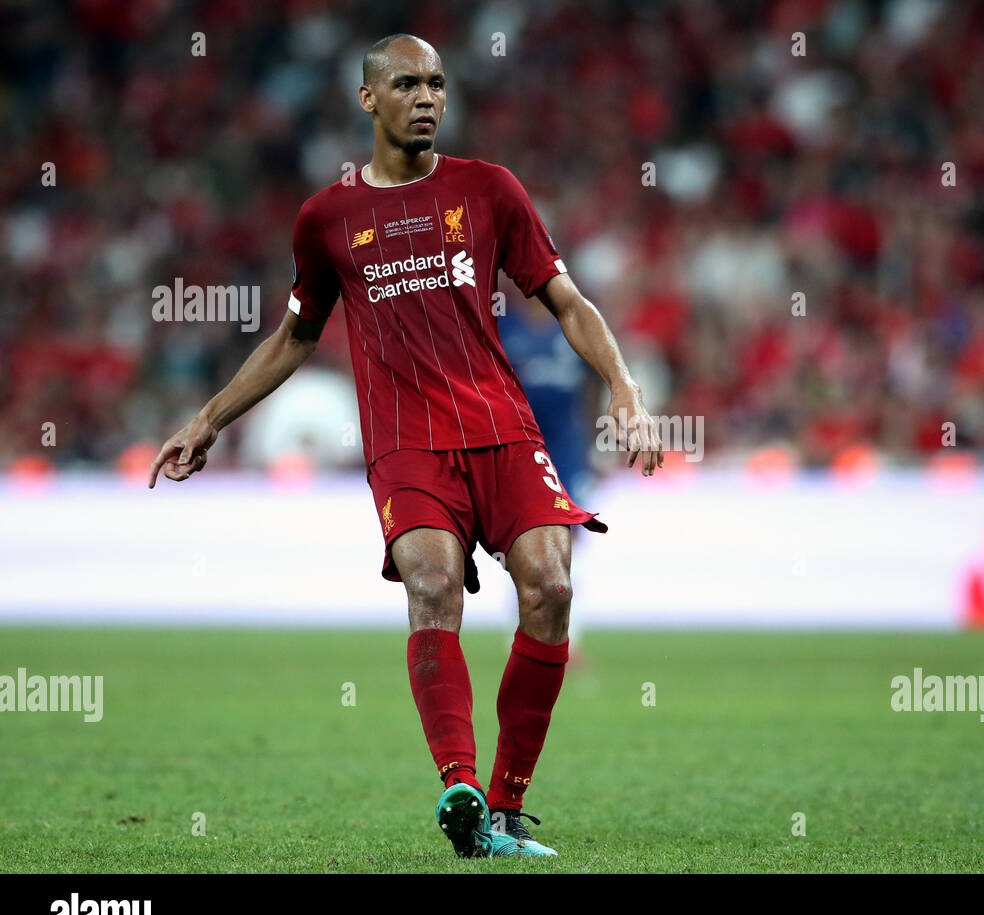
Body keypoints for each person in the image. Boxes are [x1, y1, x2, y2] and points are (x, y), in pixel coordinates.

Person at [148, 33, 663, 858]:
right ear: (368, 100)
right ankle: (458, 783)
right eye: (407, 84)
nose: (427, 97)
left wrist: (624, 387)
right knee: (431, 582)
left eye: (437, 84)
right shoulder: (326, 218)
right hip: (407, 445)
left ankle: (504, 806)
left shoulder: (489, 190)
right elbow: (293, 336)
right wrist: (208, 419)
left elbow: (565, 299)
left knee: (551, 588)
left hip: (502, 426)